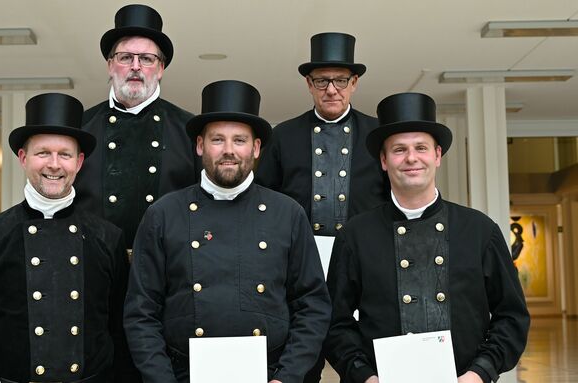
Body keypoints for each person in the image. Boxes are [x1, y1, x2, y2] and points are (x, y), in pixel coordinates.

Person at [123, 80, 332, 383]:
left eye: (240, 140)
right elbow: (141, 311)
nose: (229, 151)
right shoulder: (163, 214)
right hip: (185, 375)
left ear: (256, 148)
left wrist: (287, 376)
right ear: (199, 146)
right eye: (217, 140)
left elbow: (312, 305)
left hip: (269, 375)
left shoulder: (287, 213)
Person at [324, 92, 530, 383]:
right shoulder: (355, 235)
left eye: (421, 147)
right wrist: (364, 376)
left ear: (437, 156)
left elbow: (512, 316)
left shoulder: (480, 230)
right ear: (384, 160)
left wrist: (479, 372)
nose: (411, 158)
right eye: (399, 149)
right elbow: (335, 322)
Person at [0, 93, 134, 383]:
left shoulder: (108, 238)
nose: (54, 164)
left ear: (79, 162)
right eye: (43, 152)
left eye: (65, 154)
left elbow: (121, 333)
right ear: (23, 158)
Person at [74, 4, 199, 252]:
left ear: (161, 68)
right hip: (94, 270)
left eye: (146, 59)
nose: (135, 66)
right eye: (125, 57)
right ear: (110, 65)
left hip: (168, 272)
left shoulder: (190, 130)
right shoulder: (79, 128)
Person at [256, 32, 388, 237]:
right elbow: (263, 199)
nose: (331, 90)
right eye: (322, 81)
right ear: (309, 84)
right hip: (299, 252)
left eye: (341, 81)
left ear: (354, 83)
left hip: (364, 250)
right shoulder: (283, 135)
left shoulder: (377, 134)